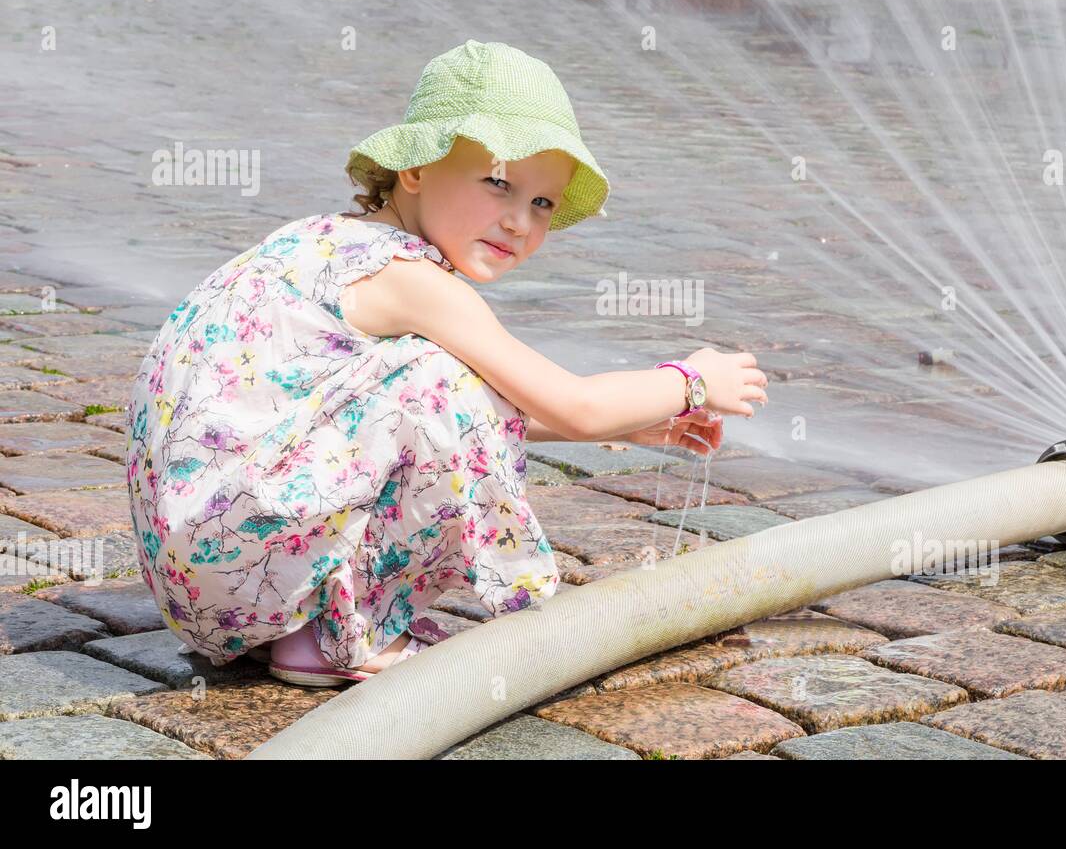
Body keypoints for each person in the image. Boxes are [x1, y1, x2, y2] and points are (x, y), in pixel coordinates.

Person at [125, 39, 768, 687]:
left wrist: (624, 427)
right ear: (415, 168)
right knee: (428, 374)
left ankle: (301, 622)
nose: (519, 220)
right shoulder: (413, 280)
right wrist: (690, 381)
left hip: (197, 573)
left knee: (428, 375)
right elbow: (572, 401)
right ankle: (341, 633)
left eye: (542, 203)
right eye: (498, 183)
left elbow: (419, 411)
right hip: (233, 562)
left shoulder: (331, 242)